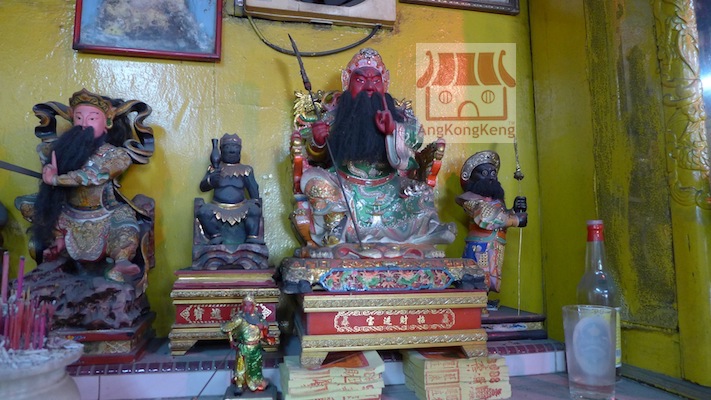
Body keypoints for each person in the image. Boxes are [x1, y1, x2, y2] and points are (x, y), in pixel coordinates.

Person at [297, 48, 455, 247]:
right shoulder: (335, 116)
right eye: (361, 80)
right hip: (345, 189)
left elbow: (417, 139)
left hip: (391, 191)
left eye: (375, 80)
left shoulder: (399, 116)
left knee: (422, 193)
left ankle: (421, 232)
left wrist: (392, 130)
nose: (369, 86)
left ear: (384, 83)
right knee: (313, 180)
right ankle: (337, 231)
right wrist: (318, 141)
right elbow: (314, 156)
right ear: (347, 82)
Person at [32, 89, 149, 283]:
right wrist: (50, 170)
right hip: (69, 212)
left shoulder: (115, 155)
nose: (84, 124)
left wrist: (57, 179)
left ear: (107, 123)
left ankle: (121, 262)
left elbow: (94, 176)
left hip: (104, 213)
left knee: (125, 221)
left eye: (92, 119)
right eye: (79, 118)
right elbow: (47, 159)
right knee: (39, 210)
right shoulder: (64, 151)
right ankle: (58, 247)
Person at [457, 150, 527, 293]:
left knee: (492, 278)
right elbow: (486, 218)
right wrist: (514, 220)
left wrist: (514, 210)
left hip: (496, 245)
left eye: (493, 173)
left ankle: (485, 299)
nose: (490, 177)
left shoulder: (496, 201)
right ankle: (476, 300)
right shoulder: (470, 200)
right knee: (477, 277)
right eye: (484, 173)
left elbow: (502, 216)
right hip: (480, 247)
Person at [196, 133, 263, 246]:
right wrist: (211, 180)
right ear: (221, 150)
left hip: (241, 206)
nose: (232, 151)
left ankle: (252, 236)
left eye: (235, 147)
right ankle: (215, 235)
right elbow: (203, 187)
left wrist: (255, 201)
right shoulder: (214, 168)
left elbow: (253, 188)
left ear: (239, 150)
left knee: (254, 210)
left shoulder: (246, 170)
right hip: (218, 206)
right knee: (203, 212)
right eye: (228, 147)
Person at [221, 295, 275, 394]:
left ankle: (257, 383)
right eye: (245, 305)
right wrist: (231, 340)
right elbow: (226, 328)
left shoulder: (259, 318)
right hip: (244, 347)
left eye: (249, 305)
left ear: (254, 306)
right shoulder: (239, 318)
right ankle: (239, 385)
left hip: (256, 347)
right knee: (241, 367)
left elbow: (265, 330)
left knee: (256, 367)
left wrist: (263, 328)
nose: (247, 308)